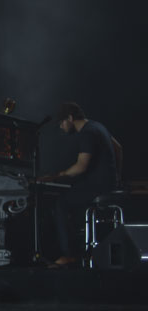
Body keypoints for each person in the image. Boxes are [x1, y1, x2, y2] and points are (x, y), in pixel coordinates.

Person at [38, 102, 120, 268]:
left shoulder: (87, 133)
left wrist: (56, 176)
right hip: (108, 183)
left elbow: (81, 167)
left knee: (60, 205)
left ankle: (69, 255)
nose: (61, 127)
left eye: (62, 122)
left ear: (70, 118)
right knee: (71, 199)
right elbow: (118, 148)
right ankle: (79, 250)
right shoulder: (98, 127)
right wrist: (117, 176)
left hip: (99, 186)